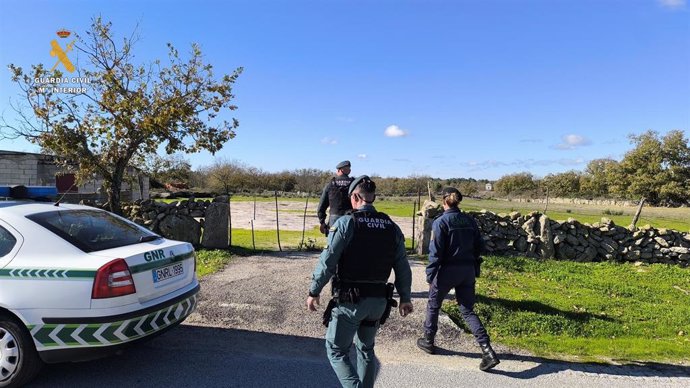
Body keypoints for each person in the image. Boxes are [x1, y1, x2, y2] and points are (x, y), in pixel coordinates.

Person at [307, 175, 414, 388]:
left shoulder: (346, 223)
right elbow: (402, 266)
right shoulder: (391, 227)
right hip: (378, 303)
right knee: (366, 350)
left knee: (336, 350)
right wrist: (405, 297)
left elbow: (328, 262)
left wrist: (314, 290)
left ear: (355, 197)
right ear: (372, 197)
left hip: (350, 301)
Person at [416, 187, 500, 371]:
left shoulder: (441, 222)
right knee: (467, 310)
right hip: (467, 269)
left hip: (447, 270)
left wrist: (430, 275)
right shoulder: (470, 221)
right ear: (458, 201)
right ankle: (487, 350)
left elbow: (435, 253)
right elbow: (480, 245)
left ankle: (428, 340)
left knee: (433, 304)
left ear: (444, 201)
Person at [317, 160, 354, 235]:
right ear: (349, 171)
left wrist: (322, 222)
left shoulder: (330, 184)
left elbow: (321, 206)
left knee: (333, 243)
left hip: (334, 219)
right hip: (350, 218)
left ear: (340, 170)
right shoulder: (354, 184)